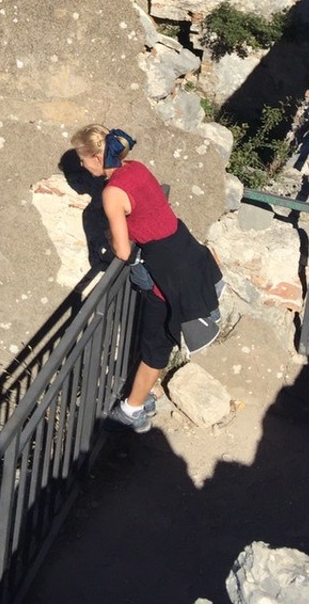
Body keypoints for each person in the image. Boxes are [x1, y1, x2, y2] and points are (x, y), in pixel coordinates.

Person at [70, 123, 223, 433]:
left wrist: (110, 239)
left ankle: (132, 411)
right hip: (185, 250)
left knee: (156, 346)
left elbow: (123, 251)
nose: (81, 165)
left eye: (82, 158)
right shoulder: (136, 168)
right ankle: (144, 394)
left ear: (97, 157)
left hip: (166, 275)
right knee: (159, 339)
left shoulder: (112, 192)